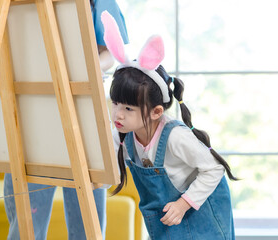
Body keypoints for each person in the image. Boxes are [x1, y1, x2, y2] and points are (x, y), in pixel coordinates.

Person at [101, 11, 237, 240]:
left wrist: (184, 204)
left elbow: (214, 169)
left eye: (128, 109)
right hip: (169, 217)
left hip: (200, 209)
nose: (118, 114)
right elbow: (106, 168)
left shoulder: (175, 137)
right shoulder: (123, 136)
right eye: (115, 103)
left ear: (156, 112)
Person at [4, 1, 128, 240]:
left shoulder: (100, 3)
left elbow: (112, 50)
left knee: (87, 226)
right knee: (26, 226)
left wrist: (80, 70)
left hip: (82, 111)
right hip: (31, 114)